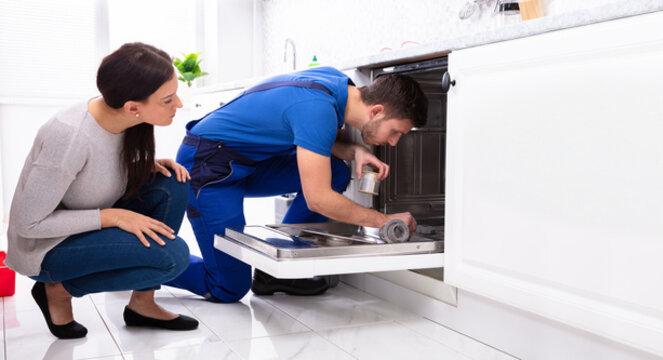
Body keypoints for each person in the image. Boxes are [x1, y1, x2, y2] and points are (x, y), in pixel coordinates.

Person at [164, 66, 427, 303]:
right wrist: (384, 220)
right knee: (228, 288)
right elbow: (319, 199)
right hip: (207, 168)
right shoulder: (317, 109)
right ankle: (143, 261)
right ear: (377, 111)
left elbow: (310, 133)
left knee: (335, 171)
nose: (394, 142)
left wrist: (354, 150)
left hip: (248, 162)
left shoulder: (337, 84)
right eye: (395, 132)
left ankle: (277, 275)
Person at [4, 42, 199, 339]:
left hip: (87, 227)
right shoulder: (69, 137)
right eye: (168, 99)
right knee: (173, 258)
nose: (179, 105)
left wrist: (143, 165)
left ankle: (142, 305)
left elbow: (100, 164)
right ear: (133, 108)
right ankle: (57, 289)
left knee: (172, 183)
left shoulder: (125, 116)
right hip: (47, 248)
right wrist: (113, 216)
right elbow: (27, 224)